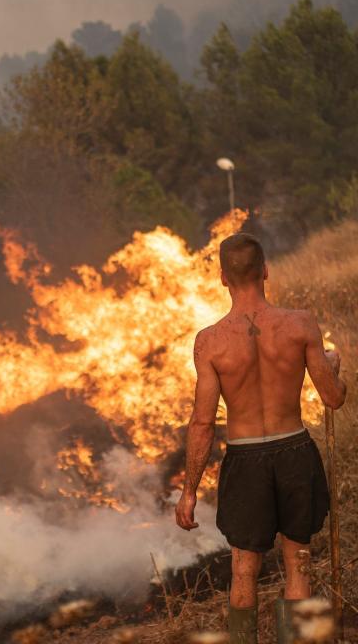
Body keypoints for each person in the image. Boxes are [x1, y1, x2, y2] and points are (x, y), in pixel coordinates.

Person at [174, 233, 347, 644]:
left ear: (222, 278)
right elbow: (333, 399)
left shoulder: (210, 342)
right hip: (295, 452)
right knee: (298, 565)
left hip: (245, 460)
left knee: (243, 570)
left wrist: (188, 491)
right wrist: (334, 367)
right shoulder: (301, 324)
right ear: (266, 270)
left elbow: (202, 423)